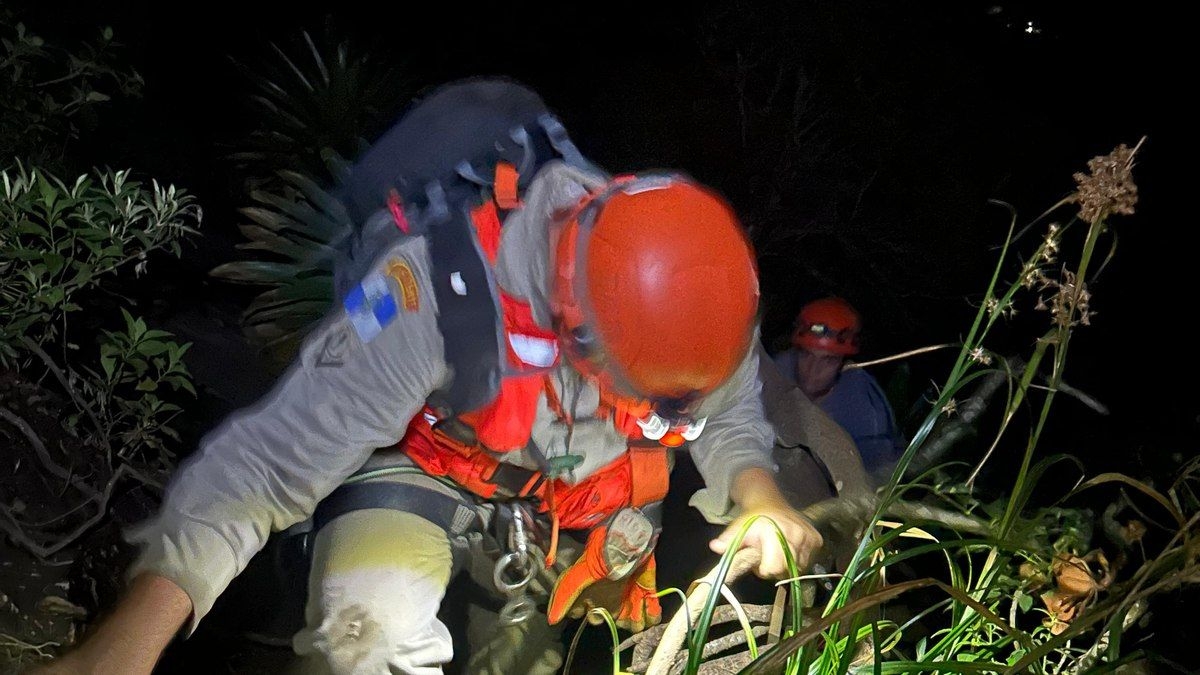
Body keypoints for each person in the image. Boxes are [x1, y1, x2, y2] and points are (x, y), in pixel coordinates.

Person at [35, 78, 822, 675]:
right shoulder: (434, 294)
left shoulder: (698, 291)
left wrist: (759, 497)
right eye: (652, 404)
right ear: (571, 325)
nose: (671, 419)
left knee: (519, 660)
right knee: (368, 630)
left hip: (559, 514)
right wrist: (124, 648)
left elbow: (731, 415)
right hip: (430, 460)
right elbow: (270, 464)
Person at [773, 296, 905, 486]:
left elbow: (875, 481)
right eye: (807, 354)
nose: (812, 370)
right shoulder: (778, 370)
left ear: (844, 364)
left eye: (828, 360)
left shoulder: (864, 411)